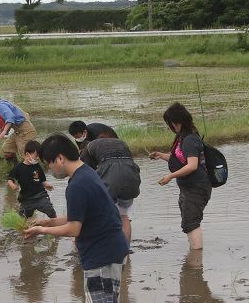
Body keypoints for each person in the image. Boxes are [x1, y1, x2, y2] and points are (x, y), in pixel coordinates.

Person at [23, 134, 130, 303]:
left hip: (103, 253)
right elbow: (79, 217)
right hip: (107, 248)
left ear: (60, 158)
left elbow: (74, 229)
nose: (50, 169)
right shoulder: (86, 173)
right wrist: (50, 221)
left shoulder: (77, 185)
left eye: (49, 163)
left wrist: (42, 231)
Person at [149, 102, 212, 251]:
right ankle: (194, 254)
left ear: (177, 122)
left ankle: (196, 263)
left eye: (170, 123)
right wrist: (161, 155)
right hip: (188, 188)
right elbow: (178, 158)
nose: (171, 127)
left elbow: (192, 165)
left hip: (197, 188)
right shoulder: (182, 137)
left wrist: (170, 176)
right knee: (188, 222)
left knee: (191, 222)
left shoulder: (190, 139)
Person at [82, 133, 141, 243]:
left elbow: (85, 173)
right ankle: (126, 251)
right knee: (123, 215)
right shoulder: (122, 143)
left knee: (101, 213)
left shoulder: (90, 146)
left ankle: (105, 246)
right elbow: (130, 162)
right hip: (131, 175)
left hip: (111, 176)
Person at [0, 92, 37, 163]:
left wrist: (4, 131)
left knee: (26, 156)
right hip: (18, 133)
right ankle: (14, 169)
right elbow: (9, 122)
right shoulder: (4, 103)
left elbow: (10, 117)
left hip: (26, 132)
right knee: (6, 149)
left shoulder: (0, 105)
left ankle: (36, 171)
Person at [7, 139, 56, 218]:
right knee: (21, 219)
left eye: (39, 157)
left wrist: (46, 185)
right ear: (27, 154)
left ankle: (56, 225)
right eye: (36, 156)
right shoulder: (18, 167)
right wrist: (12, 185)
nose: (37, 158)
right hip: (26, 199)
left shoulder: (37, 166)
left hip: (40, 196)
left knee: (50, 211)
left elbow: (42, 180)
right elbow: (10, 179)